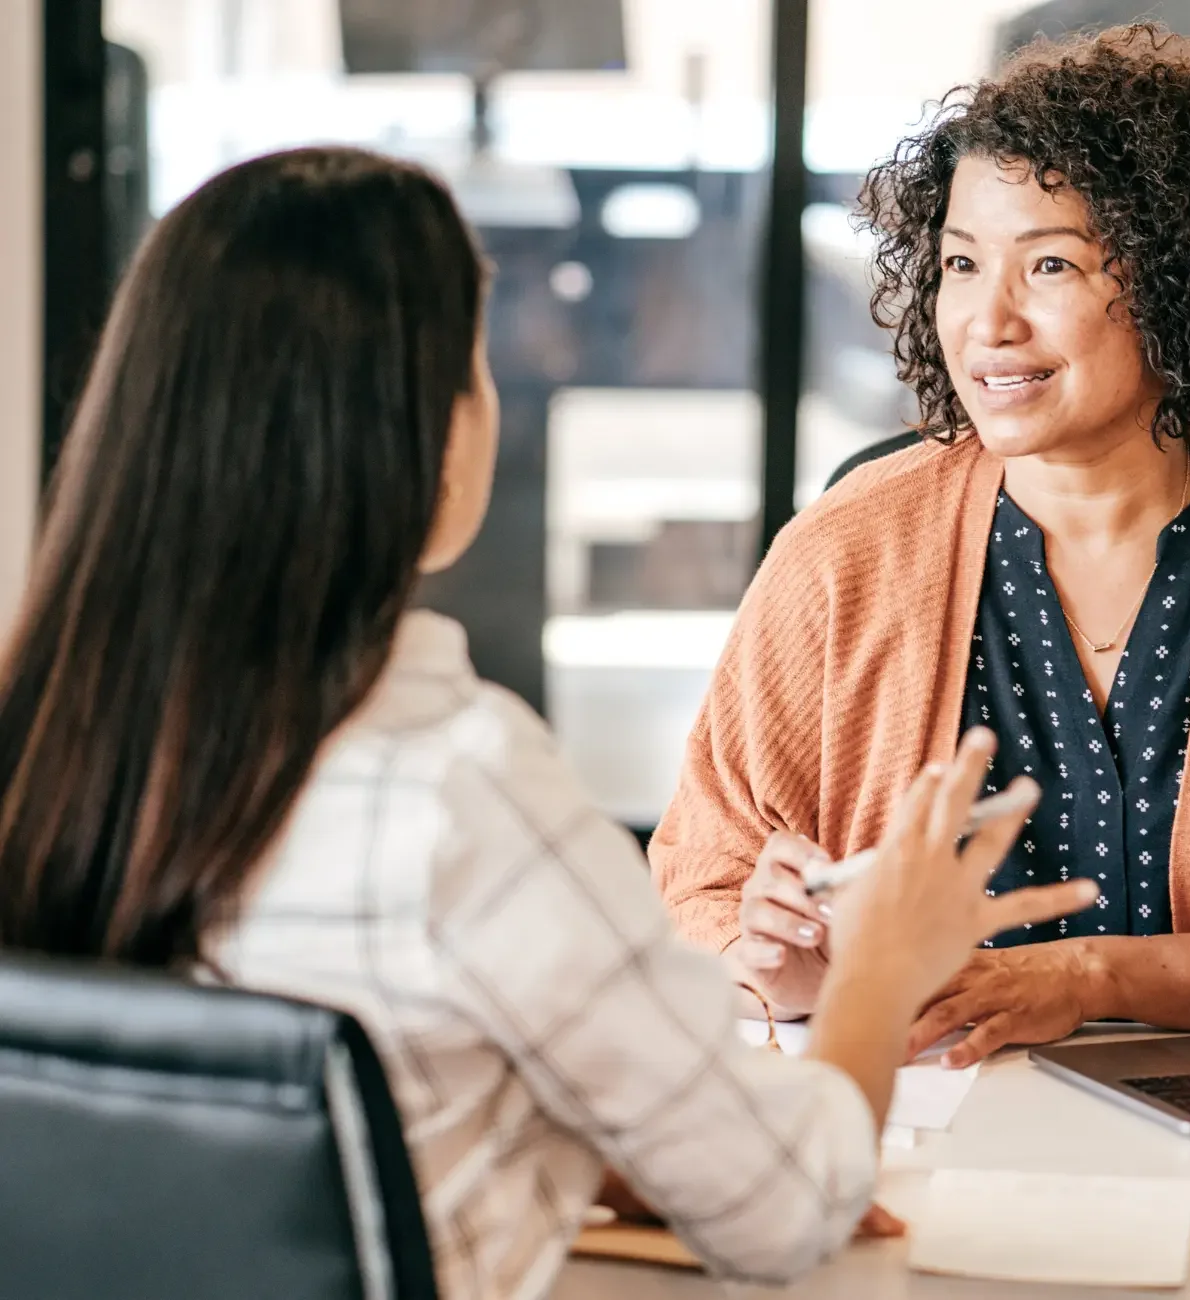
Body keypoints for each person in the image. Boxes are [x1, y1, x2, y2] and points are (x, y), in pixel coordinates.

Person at [0, 147, 1098, 1298]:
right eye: (475, 365)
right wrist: (880, 966)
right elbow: (784, 1213)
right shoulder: (459, 787)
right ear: (416, 436)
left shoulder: (53, 750)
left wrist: (585, 1142)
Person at [650, 24, 1190, 1067]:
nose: (987, 321)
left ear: (1174, 279)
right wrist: (777, 963)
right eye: (961, 264)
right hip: (913, 1108)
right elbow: (702, 883)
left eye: (1048, 263)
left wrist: (1094, 975)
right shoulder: (843, 551)